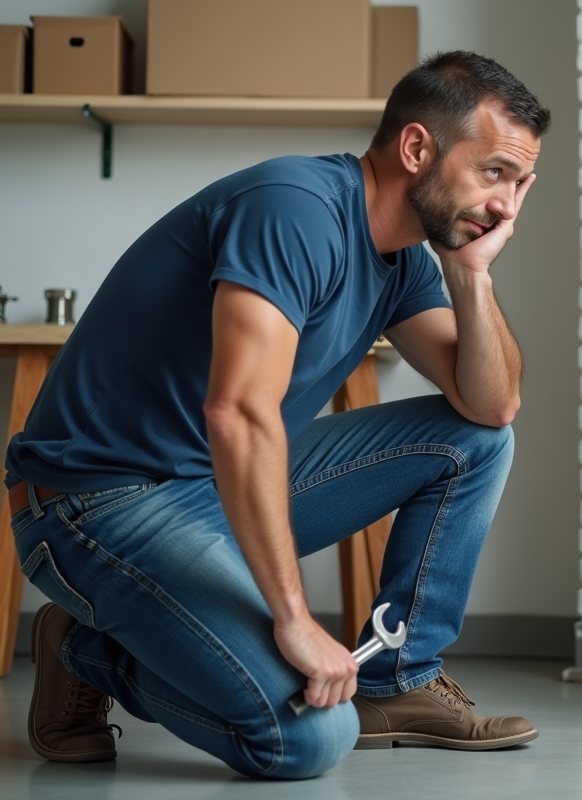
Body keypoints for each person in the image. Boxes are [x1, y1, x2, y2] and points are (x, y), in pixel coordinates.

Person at [6, 50, 550, 779]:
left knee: (476, 440)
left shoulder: (407, 256)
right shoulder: (295, 208)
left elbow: (492, 404)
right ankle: (86, 650)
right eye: (494, 174)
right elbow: (237, 412)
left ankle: (400, 679)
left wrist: (471, 277)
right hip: (100, 500)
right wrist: (293, 620)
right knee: (310, 739)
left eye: (520, 184)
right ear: (418, 148)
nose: (507, 207)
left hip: (207, 486)